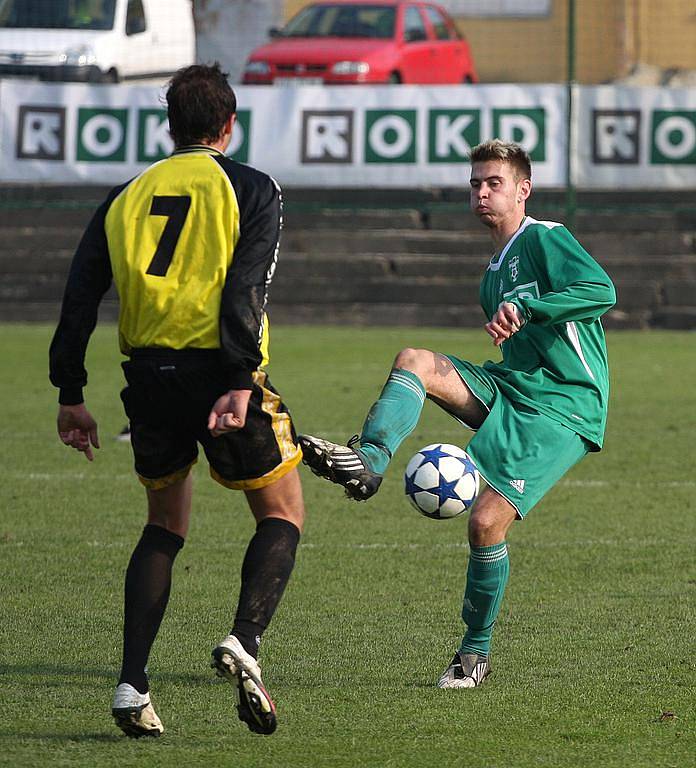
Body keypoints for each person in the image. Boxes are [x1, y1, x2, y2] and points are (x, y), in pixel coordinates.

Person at [300, 139, 616, 689]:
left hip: (565, 403)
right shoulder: (491, 275)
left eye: (493, 182)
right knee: (415, 362)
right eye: (475, 183)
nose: (482, 193)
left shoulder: (545, 237)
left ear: (524, 190)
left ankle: (473, 655)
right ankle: (369, 461)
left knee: (485, 522)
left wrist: (530, 307)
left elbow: (600, 289)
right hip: (514, 387)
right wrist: (511, 318)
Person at [49, 63, 305, 737]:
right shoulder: (251, 187)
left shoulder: (126, 195)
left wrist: (70, 394)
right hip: (220, 372)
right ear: (229, 125)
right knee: (283, 512)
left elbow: (79, 297)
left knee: (165, 524)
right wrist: (237, 379)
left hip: (148, 376)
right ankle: (245, 639)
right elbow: (247, 289)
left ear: (171, 126)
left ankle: (132, 685)